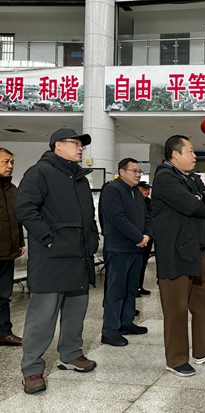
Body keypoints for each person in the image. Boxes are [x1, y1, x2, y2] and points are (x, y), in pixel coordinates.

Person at [14, 128, 99, 394]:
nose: (80, 147)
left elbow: (87, 216)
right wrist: (49, 239)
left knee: (76, 311)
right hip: (51, 258)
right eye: (75, 143)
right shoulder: (40, 172)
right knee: (43, 316)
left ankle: (71, 353)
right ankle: (32, 368)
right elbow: (24, 208)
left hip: (79, 256)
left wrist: (92, 240)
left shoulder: (80, 178)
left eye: (82, 144)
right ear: (57, 146)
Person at [152, 135, 205, 378]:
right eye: (191, 151)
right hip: (175, 250)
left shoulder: (192, 178)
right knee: (176, 307)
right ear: (175, 154)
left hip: (197, 248)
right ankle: (176, 359)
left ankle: (203, 347)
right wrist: (201, 203)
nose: (195, 156)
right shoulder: (165, 177)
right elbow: (195, 208)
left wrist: (202, 197)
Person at [99, 159, 152, 347]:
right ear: (121, 171)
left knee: (131, 289)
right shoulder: (112, 190)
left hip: (136, 248)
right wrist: (138, 237)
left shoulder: (136, 193)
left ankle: (126, 322)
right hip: (119, 248)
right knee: (116, 290)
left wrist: (147, 235)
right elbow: (116, 218)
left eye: (139, 171)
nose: (138, 174)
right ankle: (110, 330)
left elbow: (147, 217)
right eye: (134, 171)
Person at [0, 148, 25, 347]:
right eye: (5, 162)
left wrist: (20, 243)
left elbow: (18, 218)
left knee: (3, 295)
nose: (10, 166)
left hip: (7, 252)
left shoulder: (13, 189)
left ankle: (4, 332)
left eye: (12, 162)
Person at [136, 181, 154, 296]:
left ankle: (139, 286)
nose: (147, 192)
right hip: (138, 237)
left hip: (149, 236)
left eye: (148, 189)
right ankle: (134, 288)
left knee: (143, 263)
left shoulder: (150, 202)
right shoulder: (135, 201)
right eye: (144, 189)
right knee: (136, 263)